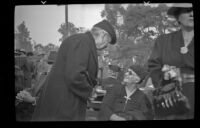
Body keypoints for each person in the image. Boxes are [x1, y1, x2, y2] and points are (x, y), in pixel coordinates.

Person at [31, 20, 116, 121]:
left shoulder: (81, 41)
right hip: (64, 106)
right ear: (103, 35)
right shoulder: (83, 42)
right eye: (107, 42)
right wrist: (90, 92)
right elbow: (75, 76)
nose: (106, 46)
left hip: (63, 103)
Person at [148, 3, 194, 119]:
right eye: (187, 11)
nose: (192, 14)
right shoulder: (163, 41)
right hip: (171, 102)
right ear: (177, 16)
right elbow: (154, 68)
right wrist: (165, 77)